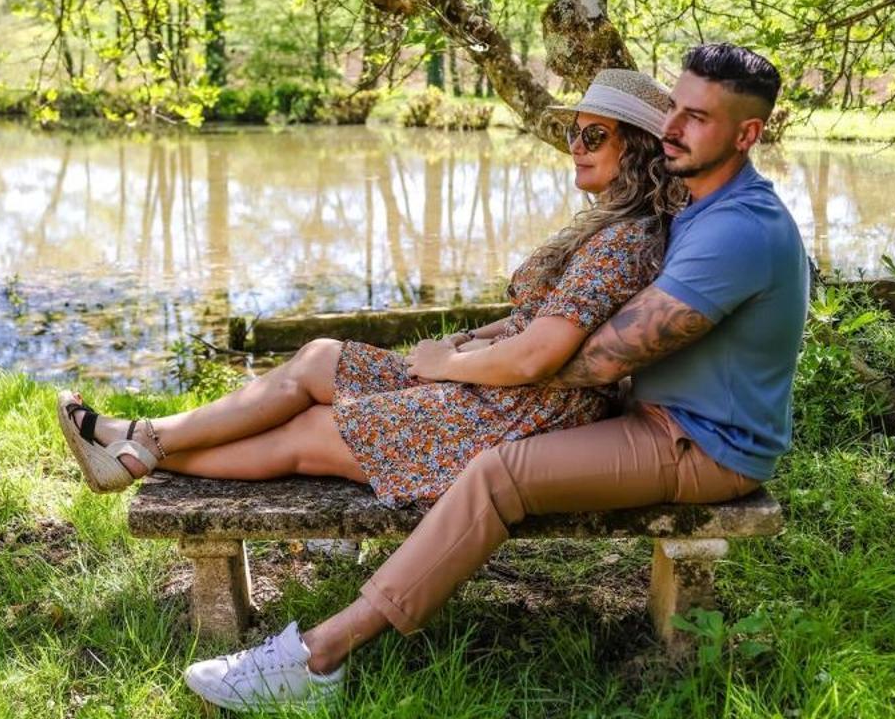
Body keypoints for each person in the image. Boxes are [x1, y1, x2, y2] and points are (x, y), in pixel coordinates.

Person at [178, 43, 811, 711]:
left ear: (747, 134)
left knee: (499, 472)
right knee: (387, 404)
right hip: (650, 416)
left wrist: (482, 366)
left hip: (703, 444)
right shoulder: (692, 204)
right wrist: (491, 355)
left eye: (698, 117)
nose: (674, 128)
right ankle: (152, 446)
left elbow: (599, 358)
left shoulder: (740, 230)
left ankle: (319, 657)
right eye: (673, 109)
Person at [56, 66, 683, 522]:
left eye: (594, 136)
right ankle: (138, 435)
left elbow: (536, 356)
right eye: (574, 132)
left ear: (637, 149)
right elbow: (534, 320)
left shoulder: (623, 240)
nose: (576, 145)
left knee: (312, 433)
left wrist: (449, 364)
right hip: (500, 389)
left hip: (522, 415)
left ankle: (138, 450)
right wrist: (468, 339)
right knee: (321, 357)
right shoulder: (608, 222)